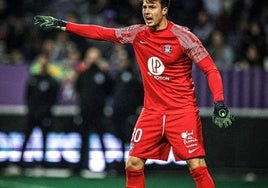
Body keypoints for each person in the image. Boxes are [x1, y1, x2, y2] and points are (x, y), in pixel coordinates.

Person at [34, 0, 234, 187]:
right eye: (145, 7)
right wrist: (64, 25)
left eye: (152, 7)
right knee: (133, 163)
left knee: (196, 165)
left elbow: (210, 69)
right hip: (152, 112)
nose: (147, 11)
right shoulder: (138, 33)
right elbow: (102, 32)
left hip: (181, 111)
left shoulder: (184, 36)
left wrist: (219, 102)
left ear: (164, 10)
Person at [74, 47, 111, 176]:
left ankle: (106, 166)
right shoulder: (83, 74)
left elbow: (110, 90)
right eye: (91, 56)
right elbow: (77, 89)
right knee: (83, 139)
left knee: (102, 138)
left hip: (99, 112)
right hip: (85, 111)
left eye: (95, 56)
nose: (93, 59)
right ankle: (82, 166)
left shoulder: (103, 74)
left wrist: (105, 70)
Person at [20, 53, 59, 168]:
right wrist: (30, 109)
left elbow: (53, 98)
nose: (42, 63)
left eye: (44, 61)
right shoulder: (33, 79)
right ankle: (21, 160)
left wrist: (47, 111)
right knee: (26, 136)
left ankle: (43, 161)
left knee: (44, 138)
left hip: (45, 115)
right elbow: (27, 96)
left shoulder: (52, 81)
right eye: (40, 61)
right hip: (32, 113)